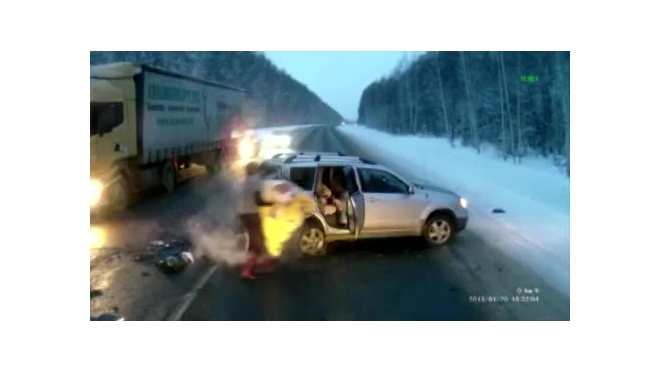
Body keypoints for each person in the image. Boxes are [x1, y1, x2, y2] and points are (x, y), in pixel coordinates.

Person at [236, 162, 271, 280]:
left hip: (243, 214)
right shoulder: (256, 181)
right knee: (256, 241)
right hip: (251, 214)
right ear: (256, 170)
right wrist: (271, 203)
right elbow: (258, 200)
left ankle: (261, 263)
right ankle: (246, 270)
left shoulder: (244, 181)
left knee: (258, 238)